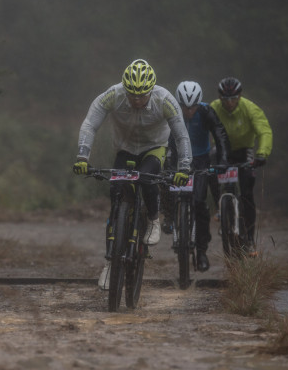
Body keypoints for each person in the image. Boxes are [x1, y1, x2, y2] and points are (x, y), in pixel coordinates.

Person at [73, 59, 191, 290]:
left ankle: (153, 219)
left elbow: (181, 136)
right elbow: (89, 125)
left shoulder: (165, 99)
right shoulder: (113, 95)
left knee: (146, 178)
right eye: (132, 95)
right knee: (116, 195)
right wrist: (82, 157)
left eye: (142, 95)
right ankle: (110, 263)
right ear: (125, 89)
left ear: (151, 89)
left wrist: (184, 167)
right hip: (125, 149)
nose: (137, 100)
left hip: (154, 148)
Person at [162, 81, 230, 272]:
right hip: (177, 157)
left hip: (201, 160)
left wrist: (222, 159)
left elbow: (220, 135)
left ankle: (201, 252)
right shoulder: (172, 111)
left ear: (199, 103)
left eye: (193, 107)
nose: (189, 111)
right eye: (184, 107)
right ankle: (168, 215)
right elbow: (164, 137)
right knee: (168, 184)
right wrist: (167, 160)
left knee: (199, 203)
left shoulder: (207, 112)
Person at [210, 77, 273, 255]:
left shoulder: (250, 108)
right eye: (225, 99)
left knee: (246, 194)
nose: (229, 103)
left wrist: (262, 153)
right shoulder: (214, 107)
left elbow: (264, 131)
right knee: (209, 167)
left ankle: (250, 239)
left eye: (233, 98)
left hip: (244, 151)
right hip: (222, 151)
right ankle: (219, 208)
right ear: (219, 97)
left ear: (239, 96)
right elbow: (201, 128)